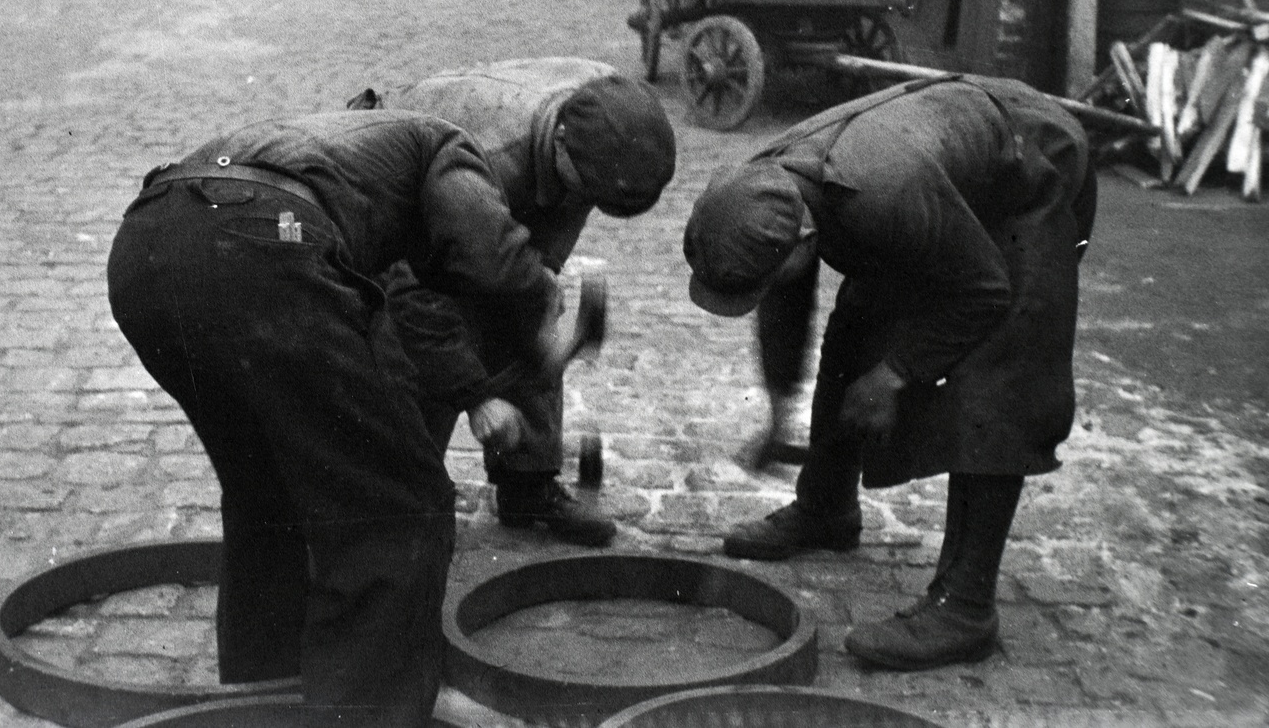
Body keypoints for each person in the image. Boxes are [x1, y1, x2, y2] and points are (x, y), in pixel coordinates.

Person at [106, 111, 563, 728]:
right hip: (263, 246)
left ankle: (267, 694)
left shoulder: (346, 151)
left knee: (269, 493)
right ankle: (365, 717)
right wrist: (542, 306)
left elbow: (410, 299)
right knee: (397, 507)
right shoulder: (445, 145)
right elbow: (492, 251)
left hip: (145, 251)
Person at [681, 74, 1096, 671]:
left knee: (999, 371)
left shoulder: (884, 196)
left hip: (1033, 168)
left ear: (802, 239)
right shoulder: (762, 190)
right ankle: (826, 509)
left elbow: (980, 290)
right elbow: (785, 294)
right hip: (935, 169)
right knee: (855, 328)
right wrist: (780, 406)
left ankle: (966, 608)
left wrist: (896, 373)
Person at [351, 57, 676, 547]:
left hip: (511, 170)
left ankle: (528, 485)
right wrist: (477, 397)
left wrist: (540, 299)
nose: (585, 201)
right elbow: (414, 289)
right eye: (586, 190)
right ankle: (406, 496)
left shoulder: (609, 121)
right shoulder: (485, 160)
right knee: (416, 349)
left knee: (530, 303)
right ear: (561, 143)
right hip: (389, 179)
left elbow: (539, 255)